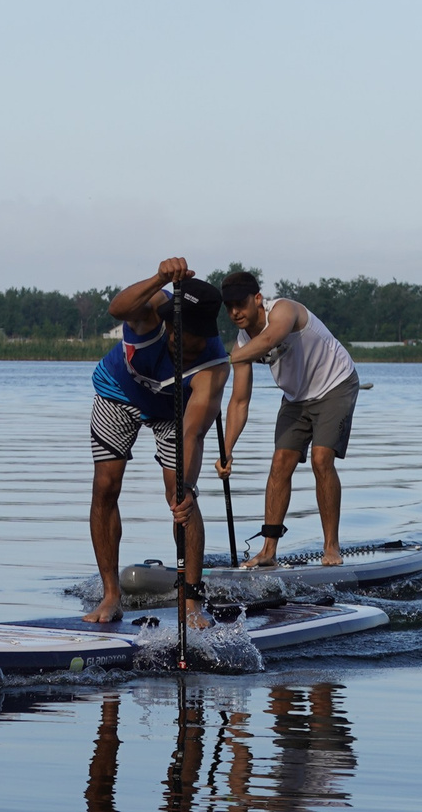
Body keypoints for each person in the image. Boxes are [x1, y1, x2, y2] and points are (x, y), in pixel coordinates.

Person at [84, 258, 229, 625]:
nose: (191, 354)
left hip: (172, 413)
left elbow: (192, 432)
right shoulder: (150, 313)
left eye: (199, 348)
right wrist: (160, 278)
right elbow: (116, 307)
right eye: (186, 346)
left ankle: (192, 602)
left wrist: (188, 487)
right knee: (105, 486)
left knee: (180, 496)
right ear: (170, 327)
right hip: (118, 392)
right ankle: (111, 596)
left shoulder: (214, 366)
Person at [217, 271, 359, 566]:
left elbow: (270, 338)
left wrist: (231, 358)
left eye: (240, 304)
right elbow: (239, 401)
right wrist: (227, 450)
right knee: (281, 462)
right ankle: (268, 552)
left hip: (335, 383)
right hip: (296, 398)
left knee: (322, 459)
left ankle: (331, 547)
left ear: (257, 299)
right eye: (229, 307)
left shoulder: (284, 310)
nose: (235, 313)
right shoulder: (242, 345)